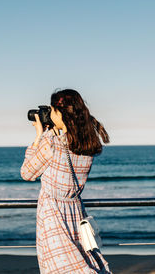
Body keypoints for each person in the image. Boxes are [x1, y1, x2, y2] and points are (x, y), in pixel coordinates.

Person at [20, 89, 112, 273]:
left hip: (53, 215)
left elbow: (27, 173)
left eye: (53, 110)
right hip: (75, 211)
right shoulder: (87, 143)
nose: (51, 115)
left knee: (60, 267)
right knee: (80, 261)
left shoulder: (51, 143)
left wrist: (40, 135)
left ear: (62, 114)